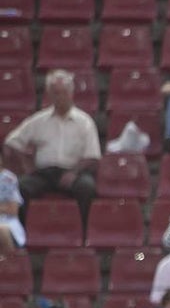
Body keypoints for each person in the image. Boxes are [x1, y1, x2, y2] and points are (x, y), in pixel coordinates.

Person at [3, 70, 99, 224]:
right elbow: (11, 142)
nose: (59, 97)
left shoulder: (85, 122)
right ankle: (23, 234)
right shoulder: (39, 120)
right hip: (44, 173)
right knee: (21, 187)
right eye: (55, 93)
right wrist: (26, 165)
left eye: (63, 92)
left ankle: (82, 231)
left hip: (74, 171)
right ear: (49, 95)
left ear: (71, 93)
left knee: (87, 188)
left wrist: (73, 173)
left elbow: (93, 157)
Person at [0, 150, 25, 252]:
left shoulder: (8, 179)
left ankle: (11, 264)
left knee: (2, 231)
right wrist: (3, 206)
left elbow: (12, 210)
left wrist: (6, 208)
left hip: (6, 223)